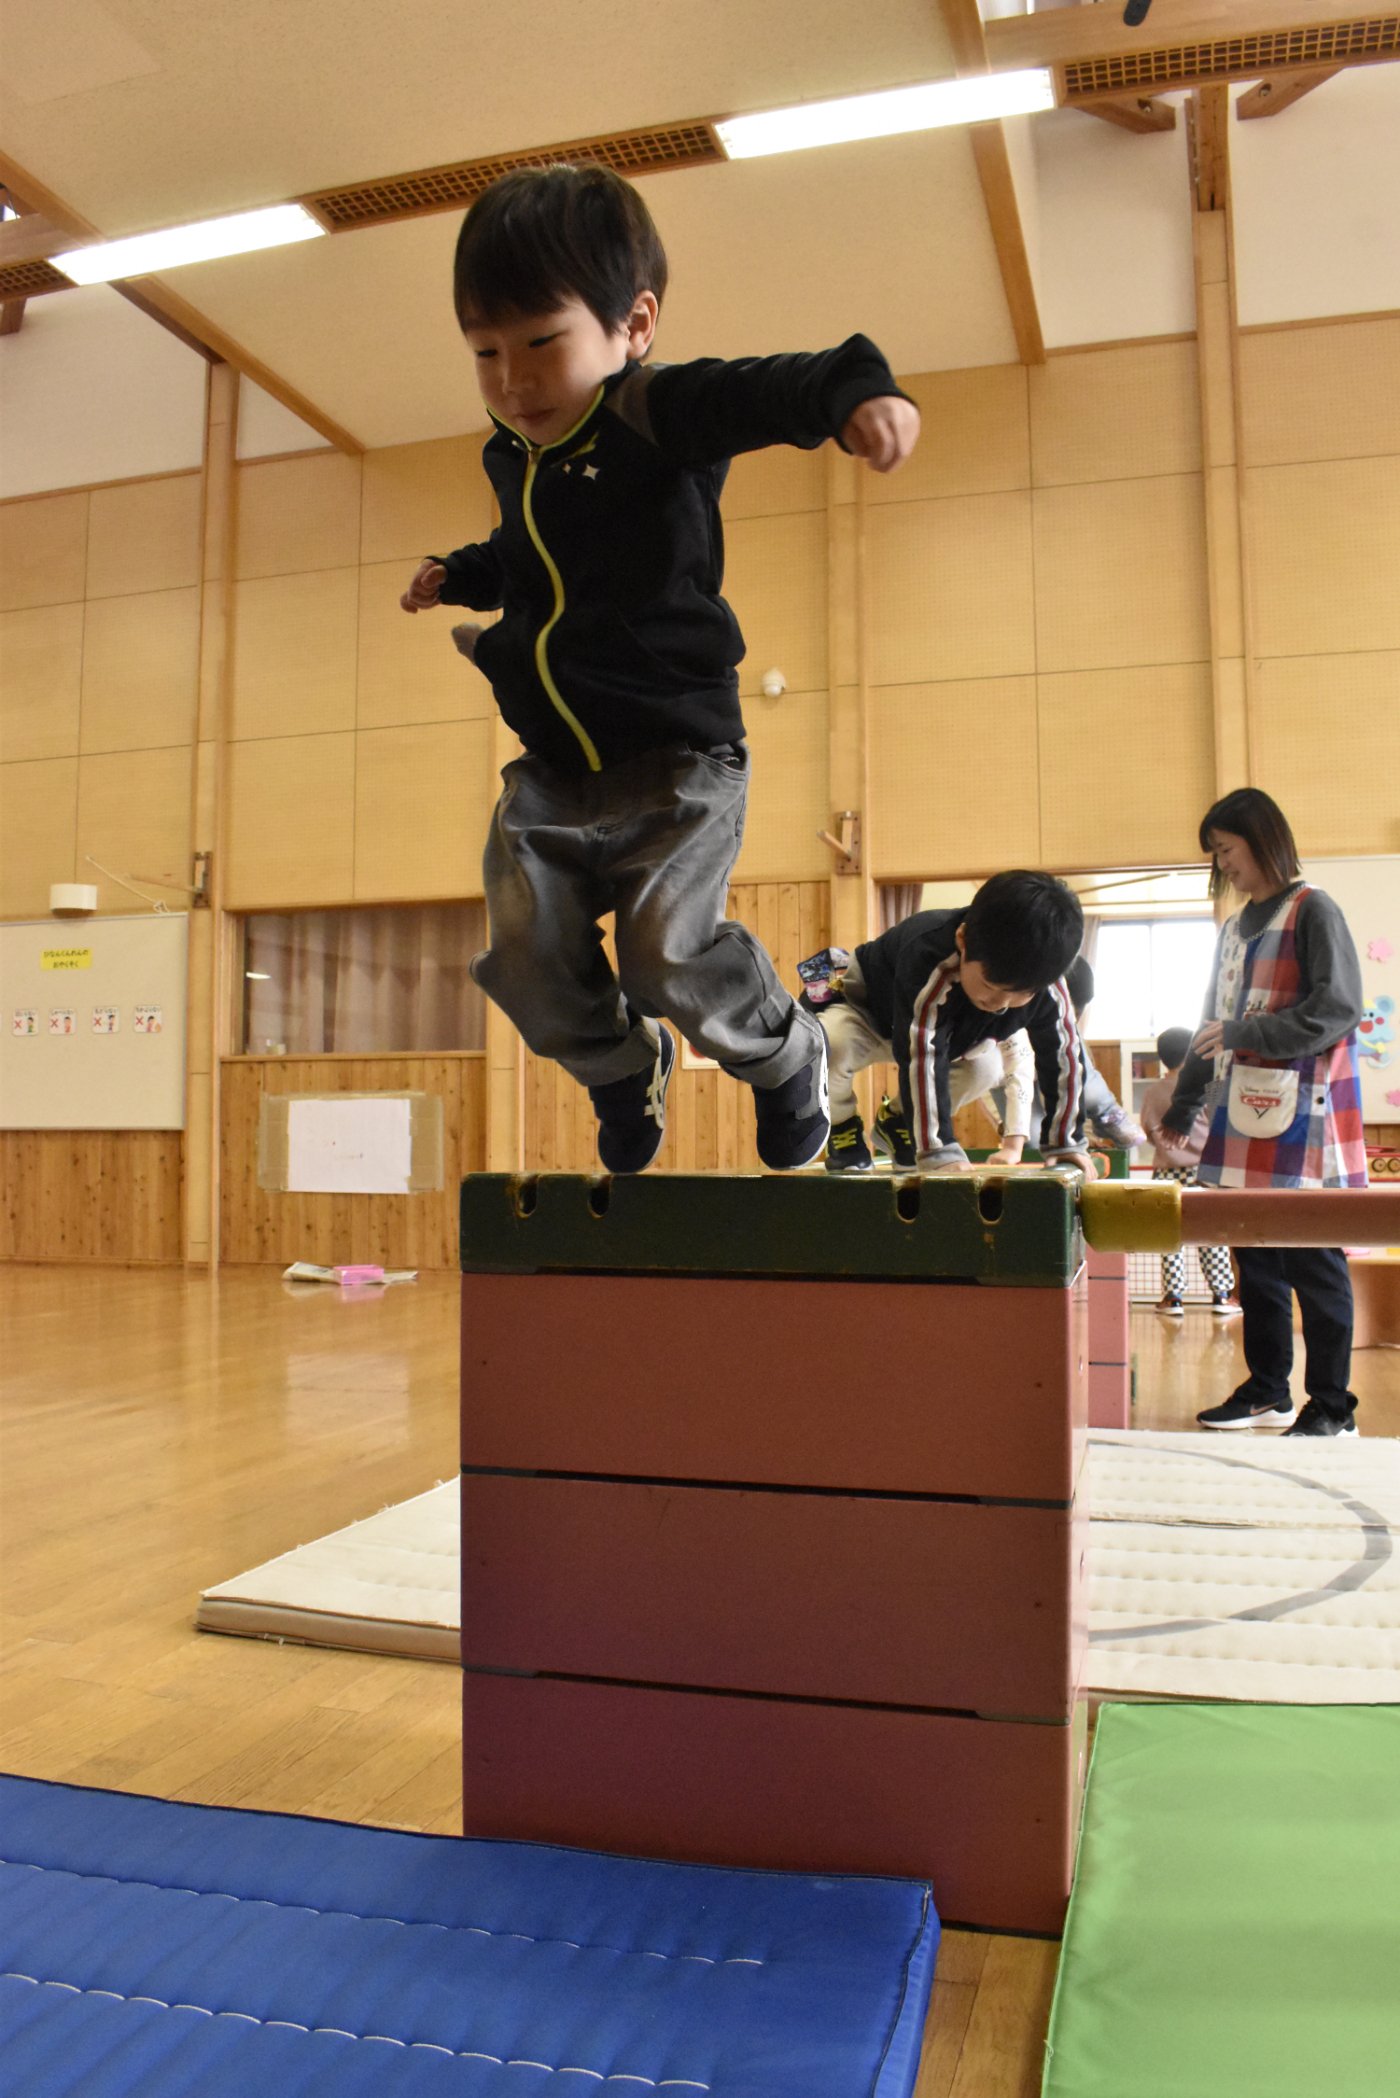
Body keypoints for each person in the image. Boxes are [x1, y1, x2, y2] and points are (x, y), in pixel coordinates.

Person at [399, 164, 919, 1173]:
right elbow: (528, 555)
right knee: (524, 955)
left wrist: (857, 394)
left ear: (632, 325)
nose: (512, 380)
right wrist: (463, 575)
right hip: (554, 769)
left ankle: (787, 1056)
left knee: (665, 956)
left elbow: (773, 385)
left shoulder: (654, 412)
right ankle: (621, 1067)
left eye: (541, 343)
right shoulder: (516, 456)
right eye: (485, 353)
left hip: (679, 758)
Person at [1162, 788, 1367, 1435]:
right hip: (1241, 1119)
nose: (1224, 865)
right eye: (1217, 855)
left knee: (1314, 1262)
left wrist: (1247, 1034)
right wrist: (1186, 1101)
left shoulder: (1313, 910)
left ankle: (1332, 1405)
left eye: (1227, 850)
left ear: (1263, 840)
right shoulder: (1232, 929)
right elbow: (1211, 1025)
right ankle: (1267, 1388)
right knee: (1256, 1262)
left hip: (1305, 1119)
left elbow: (1337, 1010)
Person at [800, 871, 1093, 1175]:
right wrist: (938, 1149)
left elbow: (1064, 1057)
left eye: (1022, 994)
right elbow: (923, 1053)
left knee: (986, 1069)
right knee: (831, 1043)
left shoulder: (1047, 985)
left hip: (945, 1036)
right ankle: (842, 1125)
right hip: (869, 1014)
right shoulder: (929, 955)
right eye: (990, 986)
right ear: (962, 940)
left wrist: (1066, 1143)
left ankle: (897, 1122)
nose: (1001, 1003)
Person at [1140, 1025, 1238, 1318]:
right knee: (1212, 1234)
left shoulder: (1152, 1092)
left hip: (1166, 1174)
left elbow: (1148, 1131)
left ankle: (1173, 1298)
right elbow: (1222, 1122)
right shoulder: (1210, 1087)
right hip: (1203, 1172)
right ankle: (1221, 1295)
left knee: (1170, 1237)